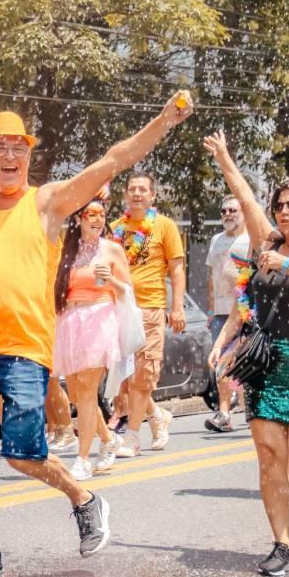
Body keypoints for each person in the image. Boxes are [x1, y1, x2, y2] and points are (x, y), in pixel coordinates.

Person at [0, 93, 193, 577]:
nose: (8, 156)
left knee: (22, 454)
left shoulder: (46, 202)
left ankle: (83, 498)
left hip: (25, 349)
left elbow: (114, 160)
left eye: (18, 148)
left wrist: (162, 121)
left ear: (29, 155)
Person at [206, 130, 289, 575]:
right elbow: (245, 197)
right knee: (270, 455)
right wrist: (222, 341)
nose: (283, 211)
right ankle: (282, 544)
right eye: (280, 205)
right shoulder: (266, 244)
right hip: (266, 362)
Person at [52, 196, 130, 480]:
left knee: (86, 391)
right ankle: (108, 438)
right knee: (75, 393)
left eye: (101, 214)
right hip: (71, 322)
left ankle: (83, 458)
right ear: (78, 219)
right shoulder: (68, 252)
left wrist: (111, 280)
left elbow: (127, 290)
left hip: (99, 319)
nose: (97, 219)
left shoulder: (111, 250)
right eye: (91, 215)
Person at [110, 171, 186, 457]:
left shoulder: (164, 226)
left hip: (151, 308)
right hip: (120, 309)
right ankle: (156, 414)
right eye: (132, 189)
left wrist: (176, 307)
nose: (137, 193)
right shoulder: (115, 228)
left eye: (143, 189)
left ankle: (132, 437)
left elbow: (177, 269)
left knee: (144, 373)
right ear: (126, 194)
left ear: (153, 195)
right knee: (127, 379)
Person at [204, 194, 249, 433]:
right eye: (224, 211)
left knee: (246, 361)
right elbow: (211, 279)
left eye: (233, 210)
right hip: (222, 313)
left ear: (243, 212)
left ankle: (249, 408)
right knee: (221, 362)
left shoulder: (251, 239)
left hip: (247, 312)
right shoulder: (216, 240)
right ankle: (223, 413)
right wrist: (211, 310)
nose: (228, 215)